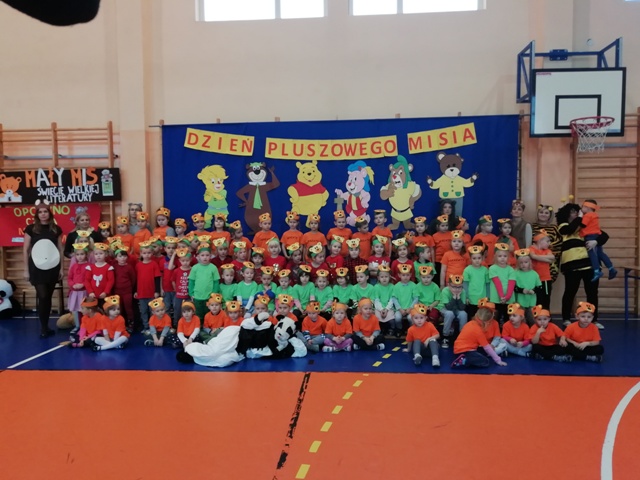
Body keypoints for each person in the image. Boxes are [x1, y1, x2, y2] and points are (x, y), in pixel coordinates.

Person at [556, 202, 603, 329]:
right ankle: (566, 318)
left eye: (577, 211)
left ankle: (593, 319)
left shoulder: (586, 226)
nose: (576, 213)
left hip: (590, 264)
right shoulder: (563, 226)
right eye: (573, 211)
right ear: (566, 214)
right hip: (572, 265)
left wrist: (595, 241)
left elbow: (604, 236)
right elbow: (570, 230)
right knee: (570, 292)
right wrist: (581, 218)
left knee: (592, 293)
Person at [23, 201, 63, 338]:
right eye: (40, 212)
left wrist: (61, 269)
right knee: (43, 296)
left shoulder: (56, 229)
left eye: (45, 211)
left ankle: (46, 327)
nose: (43, 214)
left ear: (49, 213)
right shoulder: (31, 229)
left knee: (48, 297)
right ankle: (43, 328)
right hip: (36, 267)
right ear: (37, 214)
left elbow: (60, 249)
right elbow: (25, 249)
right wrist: (26, 270)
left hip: (52, 267)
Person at [579, 199, 617, 282]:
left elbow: (583, 225)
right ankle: (611, 268)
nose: (581, 208)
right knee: (600, 253)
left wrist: (580, 216)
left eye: (583, 207)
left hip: (590, 236)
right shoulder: (594, 215)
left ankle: (597, 271)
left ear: (588, 208)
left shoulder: (587, 216)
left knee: (592, 254)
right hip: (596, 235)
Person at [188, 242, 221, 320]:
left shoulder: (213, 268)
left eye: (207, 255)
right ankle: (199, 325)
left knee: (208, 314)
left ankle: (208, 325)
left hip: (209, 296)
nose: (205, 257)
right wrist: (191, 293)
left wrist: (214, 294)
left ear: (210, 256)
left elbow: (216, 282)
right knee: (198, 314)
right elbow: (191, 281)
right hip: (197, 296)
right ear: (198, 256)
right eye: (202, 255)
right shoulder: (195, 268)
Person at [531, 204, 562, 283]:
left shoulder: (554, 228)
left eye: (546, 213)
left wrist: (548, 247)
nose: (543, 214)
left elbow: (560, 242)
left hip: (549, 260)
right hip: (534, 260)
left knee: (548, 282)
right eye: (541, 212)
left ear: (550, 215)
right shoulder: (531, 227)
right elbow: (529, 242)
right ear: (537, 213)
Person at [134, 240, 161, 331]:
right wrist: (135, 291)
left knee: (152, 311)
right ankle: (146, 326)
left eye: (149, 253)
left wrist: (157, 291)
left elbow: (157, 278)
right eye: (144, 253)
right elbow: (136, 279)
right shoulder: (138, 265)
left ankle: (153, 326)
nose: (147, 255)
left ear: (152, 253)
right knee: (143, 311)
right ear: (141, 254)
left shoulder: (154, 264)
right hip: (141, 293)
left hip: (151, 293)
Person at [488, 243, 515, 326]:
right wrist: (501, 296)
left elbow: (511, 283)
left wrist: (507, 297)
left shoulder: (511, 269)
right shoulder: (492, 268)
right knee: (496, 318)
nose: (502, 258)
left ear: (508, 257)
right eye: (500, 256)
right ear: (495, 257)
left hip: (508, 299)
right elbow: (497, 282)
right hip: (496, 298)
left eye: (505, 256)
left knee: (508, 318)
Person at [438, 274, 467, 348]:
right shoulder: (445, 291)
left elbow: (462, 308)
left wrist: (458, 297)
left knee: (463, 314)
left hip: (457, 309)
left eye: (459, 287)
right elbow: (448, 307)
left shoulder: (463, 291)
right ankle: (445, 336)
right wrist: (454, 297)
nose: (456, 289)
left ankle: (462, 336)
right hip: (445, 308)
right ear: (449, 285)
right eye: (454, 286)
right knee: (449, 313)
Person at [513, 249, 541, 325]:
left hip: (531, 302)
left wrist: (534, 291)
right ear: (518, 263)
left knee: (532, 319)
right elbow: (513, 287)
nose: (523, 264)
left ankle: (533, 331)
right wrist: (521, 290)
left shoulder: (534, 274)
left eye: (526, 262)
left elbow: (539, 287)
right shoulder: (515, 273)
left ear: (529, 262)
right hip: (519, 302)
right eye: (521, 263)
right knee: (521, 320)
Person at [529, 230, 555, 310]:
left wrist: (537, 257)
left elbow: (552, 257)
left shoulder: (547, 250)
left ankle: (546, 315)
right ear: (540, 241)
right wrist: (546, 260)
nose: (549, 243)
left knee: (546, 299)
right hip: (534, 279)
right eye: (547, 241)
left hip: (545, 279)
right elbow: (533, 256)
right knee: (537, 299)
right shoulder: (531, 248)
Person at [112, 247, 137, 332]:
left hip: (127, 291)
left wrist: (130, 288)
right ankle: (121, 324)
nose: (122, 258)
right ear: (116, 258)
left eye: (124, 256)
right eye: (120, 256)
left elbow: (133, 279)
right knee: (119, 308)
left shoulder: (129, 267)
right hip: (117, 291)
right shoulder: (114, 267)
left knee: (128, 308)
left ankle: (131, 324)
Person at [67, 243, 89, 336]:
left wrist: (83, 284)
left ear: (86, 255)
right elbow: (69, 278)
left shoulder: (89, 266)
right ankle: (77, 326)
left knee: (84, 310)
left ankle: (86, 326)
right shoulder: (74, 266)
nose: (80, 256)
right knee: (75, 310)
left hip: (84, 292)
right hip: (75, 292)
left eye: (82, 254)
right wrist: (73, 285)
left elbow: (89, 279)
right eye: (78, 254)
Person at [84, 243, 114, 308]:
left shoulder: (108, 268)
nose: (98, 256)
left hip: (104, 295)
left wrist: (106, 292)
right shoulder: (90, 268)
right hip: (93, 295)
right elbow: (87, 280)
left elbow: (110, 281)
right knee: (94, 310)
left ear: (106, 254)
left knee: (105, 310)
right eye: (96, 254)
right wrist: (90, 292)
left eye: (101, 253)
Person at [463, 245, 489, 320]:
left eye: (479, 258)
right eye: (474, 258)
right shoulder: (467, 270)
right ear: (470, 259)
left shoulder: (485, 270)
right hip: (471, 298)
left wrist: (488, 296)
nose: (477, 260)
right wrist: (466, 297)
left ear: (482, 258)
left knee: (482, 318)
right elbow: (465, 285)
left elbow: (487, 284)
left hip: (482, 298)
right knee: (472, 318)